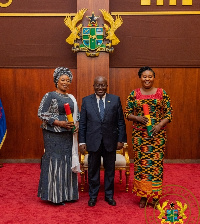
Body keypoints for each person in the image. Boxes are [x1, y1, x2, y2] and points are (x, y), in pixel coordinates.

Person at [124, 66, 173, 208]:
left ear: (154, 77)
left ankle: (155, 197)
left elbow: (169, 114)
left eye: (150, 76)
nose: (147, 79)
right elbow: (127, 113)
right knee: (142, 166)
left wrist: (158, 126)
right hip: (140, 136)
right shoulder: (134, 94)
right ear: (140, 77)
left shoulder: (162, 93)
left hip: (158, 136)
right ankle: (143, 196)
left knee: (156, 166)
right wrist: (138, 118)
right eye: (144, 76)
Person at [79, 76, 127, 207]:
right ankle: (93, 196)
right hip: (93, 141)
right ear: (93, 86)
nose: (100, 88)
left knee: (110, 170)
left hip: (110, 141)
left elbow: (120, 122)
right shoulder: (86, 101)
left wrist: (121, 139)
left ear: (107, 86)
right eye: (97, 85)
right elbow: (82, 123)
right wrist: (81, 141)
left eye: (103, 85)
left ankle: (109, 196)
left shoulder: (115, 100)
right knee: (93, 170)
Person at [37, 67, 80, 205]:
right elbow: (41, 113)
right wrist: (59, 123)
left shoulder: (71, 98)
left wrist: (77, 122)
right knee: (55, 161)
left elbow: (75, 115)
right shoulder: (50, 95)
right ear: (57, 81)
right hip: (53, 135)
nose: (66, 82)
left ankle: (68, 195)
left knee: (66, 161)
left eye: (68, 80)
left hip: (67, 135)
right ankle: (54, 196)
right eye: (63, 80)